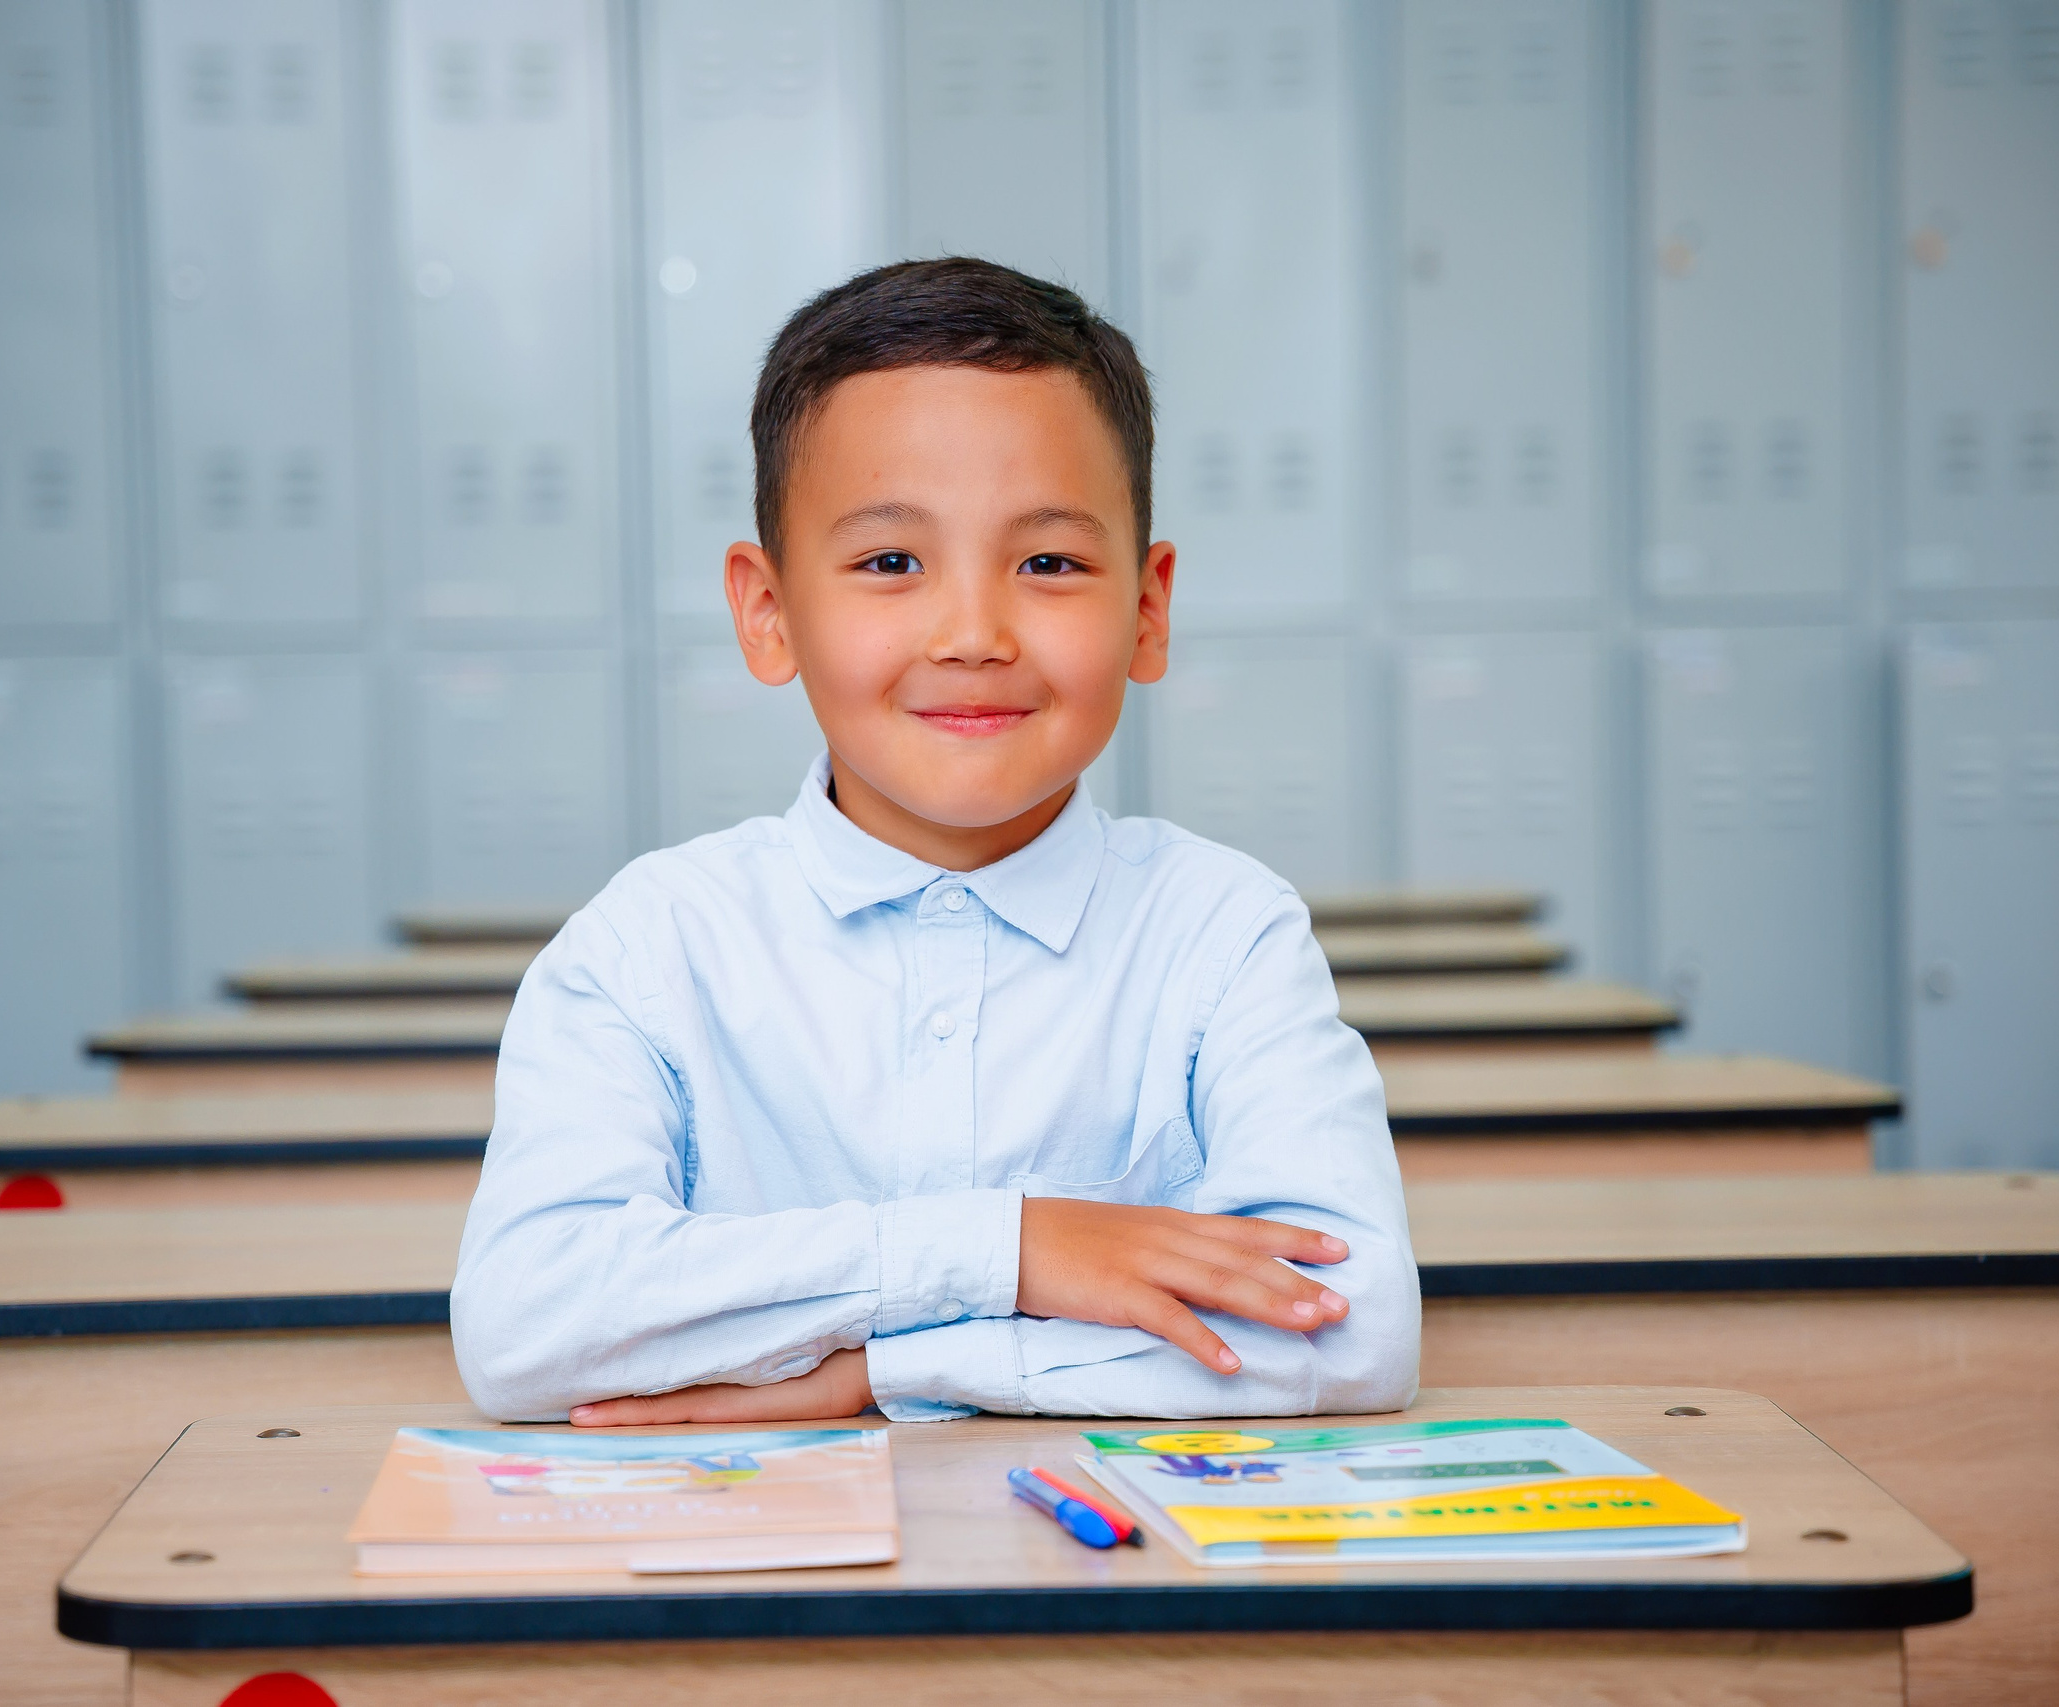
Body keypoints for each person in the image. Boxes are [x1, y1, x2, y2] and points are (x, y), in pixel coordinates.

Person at [453, 257, 1417, 1425]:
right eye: (890, 563)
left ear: (1148, 610)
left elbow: (1348, 1331)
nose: (972, 631)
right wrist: (1013, 1253)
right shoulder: (651, 948)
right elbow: (526, 1324)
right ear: (768, 613)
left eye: (1049, 563)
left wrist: (887, 1371)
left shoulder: (1224, 936)